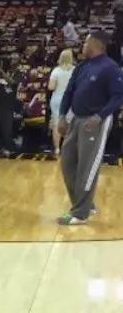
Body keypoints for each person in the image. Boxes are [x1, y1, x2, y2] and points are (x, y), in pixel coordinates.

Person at [57, 31, 123, 225]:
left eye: (85, 42)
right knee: (67, 162)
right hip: (76, 119)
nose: (82, 46)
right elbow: (69, 92)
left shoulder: (110, 68)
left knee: (88, 166)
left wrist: (99, 116)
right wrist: (62, 116)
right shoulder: (82, 66)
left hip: (96, 121)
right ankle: (87, 204)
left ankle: (80, 213)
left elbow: (118, 96)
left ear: (95, 44)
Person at [48, 48, 75, 155]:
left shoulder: (56, 70)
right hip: (70, 100)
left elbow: (51, 87)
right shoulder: (75, 70)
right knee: (69, 124)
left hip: (57, 99)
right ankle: (68, 149)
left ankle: (57, 149)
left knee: (56, 124)